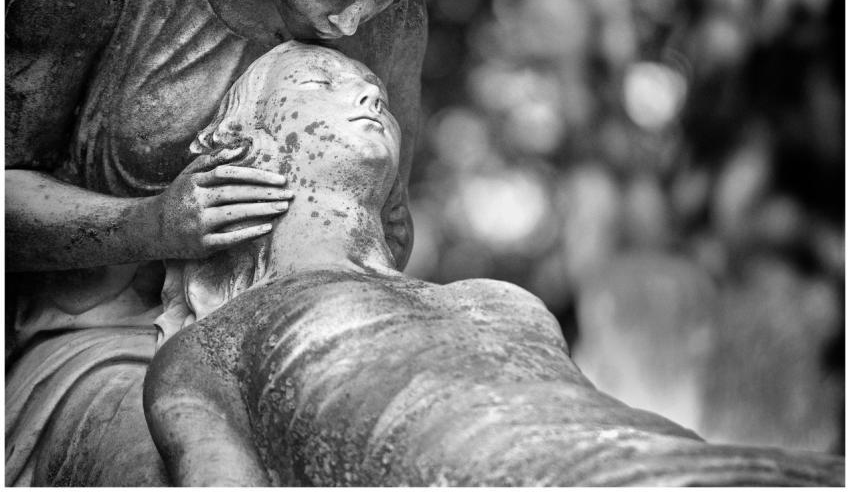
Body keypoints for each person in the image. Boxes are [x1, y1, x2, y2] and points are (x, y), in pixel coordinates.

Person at [146, 42, 843, 486]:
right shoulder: (211, 347)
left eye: (374, 93)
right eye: (320, 85)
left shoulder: (502, 299)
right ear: (244, 141)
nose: (366, 97)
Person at [5, 0, 448, 486]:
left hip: (293, 332)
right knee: (161, 465)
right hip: (110, 334)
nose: (351, 22)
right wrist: (147, 226)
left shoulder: (398, 17)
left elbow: (388, 225)